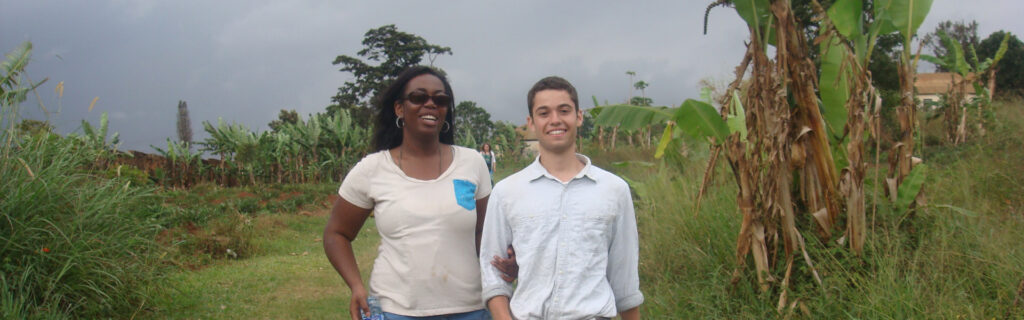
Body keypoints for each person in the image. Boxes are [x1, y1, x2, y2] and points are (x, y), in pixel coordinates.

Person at [323, 66, 494, 320]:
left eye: (440, 99)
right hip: (396, 310)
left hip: (471, 308)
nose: (430, 104)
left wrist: (496, 281)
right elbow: (336, 233)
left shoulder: (472, 163)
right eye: (418, 97)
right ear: (399, 109)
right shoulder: (373, 169)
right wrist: (356, 286)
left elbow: (485, 231)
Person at [479, 76, 644, 320]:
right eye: (544, 113)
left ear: (579, 116)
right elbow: (492, 275)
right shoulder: (506, 192)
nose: (555, 120)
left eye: (564, 110)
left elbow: (625, 281)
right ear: (531, 122)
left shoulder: (614, 189)